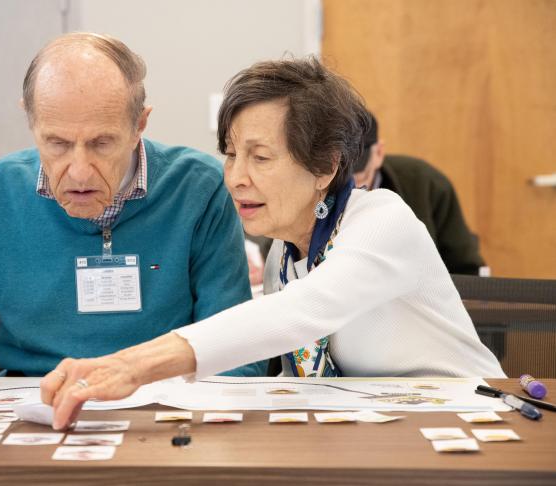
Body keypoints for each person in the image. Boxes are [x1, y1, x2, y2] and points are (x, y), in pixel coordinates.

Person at [41, 57, 505, 430]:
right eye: (230, 154)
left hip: (468, 423)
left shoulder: (383, 221)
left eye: (260, 157)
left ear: (325, 166)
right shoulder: (285, 251)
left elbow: (300, 314)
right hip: (376, 430)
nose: (237, 178)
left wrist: (130, 366)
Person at [0, 33, 266, 382]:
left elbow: (235, 349)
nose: (81, 172)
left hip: (160, 405)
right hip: (30, 405)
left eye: (102, 143)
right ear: (30, 121)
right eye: (58, 144)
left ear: (140, 123)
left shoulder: (197, 187)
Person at [352, 114, 485, 275]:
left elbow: (466, 267)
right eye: (338, 182)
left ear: (379, 153)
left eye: (358, 179)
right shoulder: (316, 187)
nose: (349, 191)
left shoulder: (426, 184)